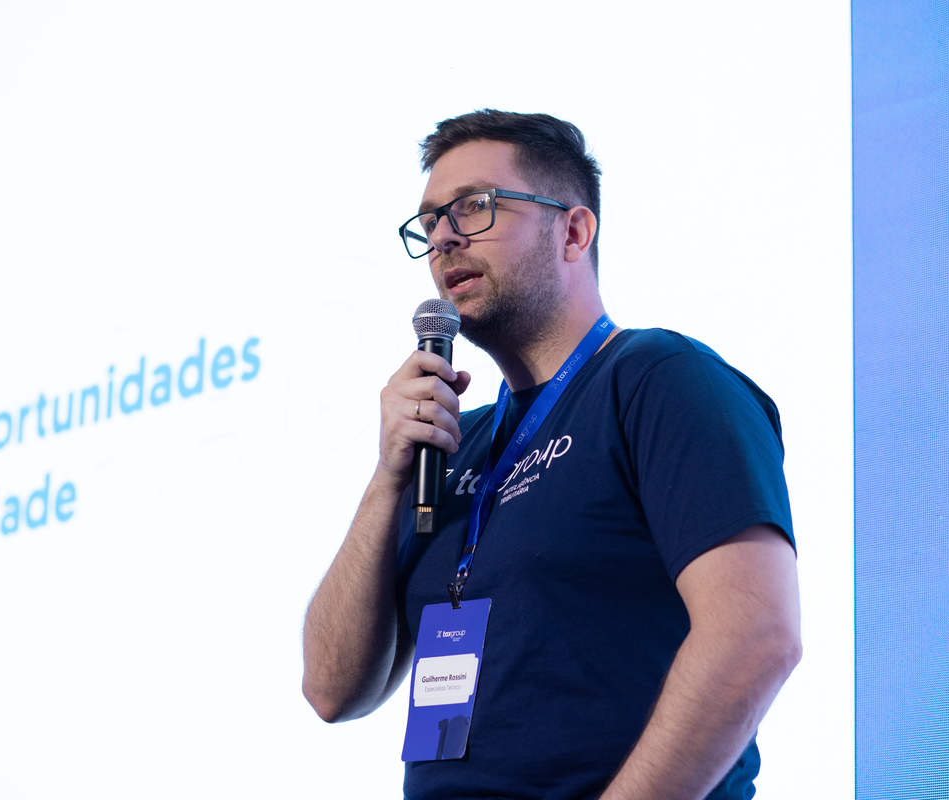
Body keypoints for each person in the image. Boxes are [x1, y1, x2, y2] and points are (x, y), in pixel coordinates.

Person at [302, 109, 802, 800]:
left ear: (573, 231)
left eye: (475, 205)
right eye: (431, 221)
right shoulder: (452, 445)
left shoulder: (660, 379)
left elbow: (756, 634)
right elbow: (331, 689)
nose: (444, 236)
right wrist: (387, 477)